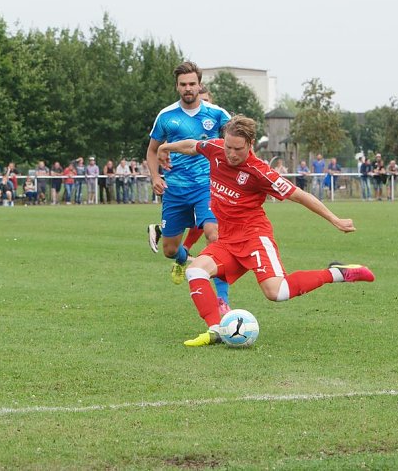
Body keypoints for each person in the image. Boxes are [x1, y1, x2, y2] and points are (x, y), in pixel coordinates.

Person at [157, 116, 374, 346]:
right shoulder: (216, 148)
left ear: (250, 144)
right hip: (228, 240)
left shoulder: (260, 172)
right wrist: (165, 146)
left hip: (254, 238)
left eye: (237, 149)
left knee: (276, 292)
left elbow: (299, 195)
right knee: (195, 271)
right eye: (228, 146)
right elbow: (192, 145)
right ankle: (216, 329)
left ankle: (337, 273)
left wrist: (335, 219)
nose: (231, 153)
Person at [145, 60, 232, 294]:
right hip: (175, 189)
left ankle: (223, 303)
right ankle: (183, 260)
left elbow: (237, 143)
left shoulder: (217, 114)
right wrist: (155, 177)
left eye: (192, 83)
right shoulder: (166, 116)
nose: (188, 88)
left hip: (207, 186)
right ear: (177, 86)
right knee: (170, 250)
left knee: (214, 237)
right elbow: (152, 150)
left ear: (199, 85)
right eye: (183, 84)